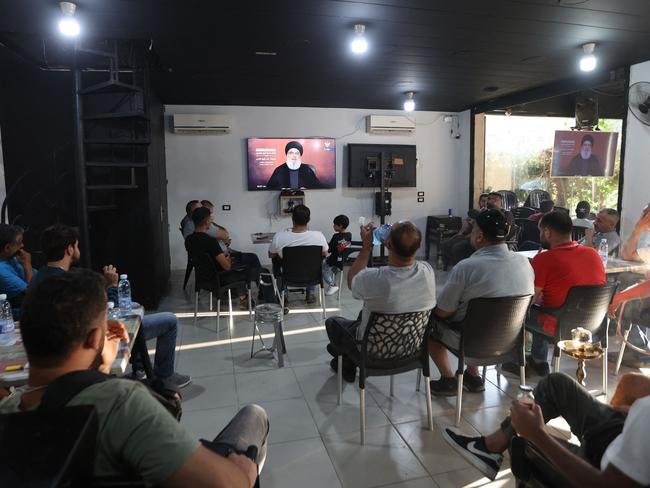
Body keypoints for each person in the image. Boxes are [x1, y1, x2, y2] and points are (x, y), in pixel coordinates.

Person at [0, 269, 268, 488]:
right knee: (254, 415)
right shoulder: (120, 403)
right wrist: (243, 472)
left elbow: (68, 393)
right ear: (95, 338)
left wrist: (100, 369)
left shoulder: (7, 412)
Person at [31, 224, 191, 388]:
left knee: (134, 305)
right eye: (77, 245)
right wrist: (112, 285)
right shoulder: (70, 283)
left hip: (56, 340)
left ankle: (140, 368)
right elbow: (108, 309)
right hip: (85, 338)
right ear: (70, 249)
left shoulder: (37, 278)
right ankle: (165, 375)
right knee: (169, 320)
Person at [442, 372, 650, 486]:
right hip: (621, 429)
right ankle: (491, 447)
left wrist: (538, 435)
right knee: (557, 384)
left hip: (601, 465)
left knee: (524, 446)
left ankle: (494, 447)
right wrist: (636, 410)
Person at [428, 209, 534, 395]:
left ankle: (448, 379)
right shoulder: (524, 262)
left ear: (479, 236)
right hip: (510, 341)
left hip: (471, 343)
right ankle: (472, 376)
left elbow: (444, 311)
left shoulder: (467, 267)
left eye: (474, 228)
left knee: (430, 323)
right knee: (478, 319)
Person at [325, 221, 436, 382]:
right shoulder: (427, 271)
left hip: (372, 352)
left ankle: (346, 359)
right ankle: (345, 357)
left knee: (333, 322)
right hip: (412, 349)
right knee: (364, 313)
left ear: (388, 244)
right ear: (418, 246)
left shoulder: (374, 278)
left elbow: (352, 281)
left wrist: (366, 247)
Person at [504, 211, 605, 377]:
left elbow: (529, 299)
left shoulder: (545, 259)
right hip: (592, 325)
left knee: (519, 312)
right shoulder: (593, 254)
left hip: (560, 327)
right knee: (546, 307)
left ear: (547, 232)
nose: (539, 235)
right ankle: (538, 360)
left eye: (540, 231)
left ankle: (521, 361)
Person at [185, 207, 251, 309]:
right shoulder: (210, 241)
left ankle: (238, 298)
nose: (212, 221)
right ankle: (246, 301)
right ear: (207, 222)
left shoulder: (189, 240)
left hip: (203, 279)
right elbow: (227, 267)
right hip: (218, 279)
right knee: (243, 273)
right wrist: (227, 260)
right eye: (211, 219)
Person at [268, 204, 328, 304]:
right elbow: (325, 253)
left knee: (275, 261)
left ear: (292, 219)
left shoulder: (279, 236)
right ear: (309, 219)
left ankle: (284, 294)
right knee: (316, 261)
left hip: (289, 275)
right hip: (312, 276)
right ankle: (311, 293)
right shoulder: (319, 236)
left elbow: (271, 255)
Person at [0, 224, 33, 312]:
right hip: (21, 310)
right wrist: (27, 265)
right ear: (7, 248)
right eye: (19, 243)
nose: (22, 245)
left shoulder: (11, 257)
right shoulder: (2, 272)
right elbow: (31, 293)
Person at [322, 214, 352, 296]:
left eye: (335, 224)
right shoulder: (349, 235)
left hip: (333, 260)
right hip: (343, 260)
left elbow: (329, 249)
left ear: (340, 226)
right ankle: (333, 273)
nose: (333, 226)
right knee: (330, 267)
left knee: (323, 269)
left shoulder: (335, 236)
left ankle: (333, 285)